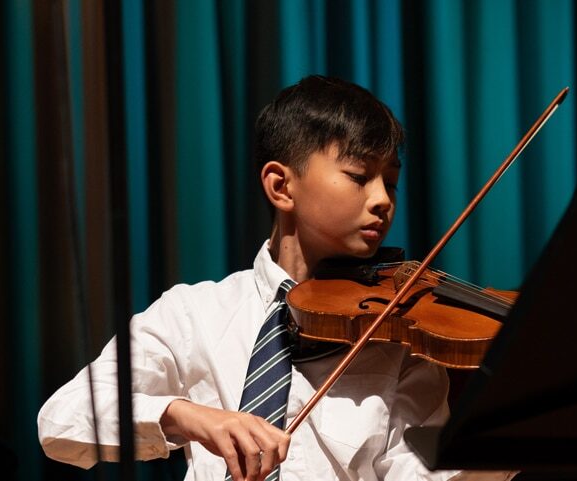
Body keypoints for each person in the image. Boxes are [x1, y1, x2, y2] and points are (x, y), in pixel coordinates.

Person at [38, 75, 517, 481]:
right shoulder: (193, 314)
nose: (382, 200)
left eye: (389, 181)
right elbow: (62, 422)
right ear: (280, 185)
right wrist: (188, 416)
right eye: (358, 175)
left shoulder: (397, 340)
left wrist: (502, 444)